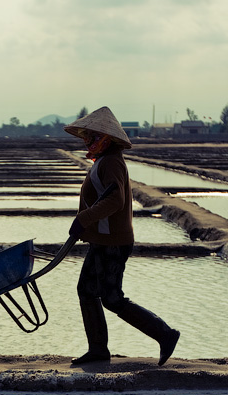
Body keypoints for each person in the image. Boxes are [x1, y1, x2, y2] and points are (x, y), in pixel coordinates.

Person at [64, 106, 180, 366]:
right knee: (87, 291)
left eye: (92, 137)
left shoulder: (112, 162)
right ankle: (98, 350)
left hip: (113, 242)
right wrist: (88, 225)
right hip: (104, 239)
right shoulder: (104, 161)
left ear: (105, 139)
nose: (87, 141)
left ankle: (165, 334)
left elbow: (115, 199)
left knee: (112, 298)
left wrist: (84, 219)